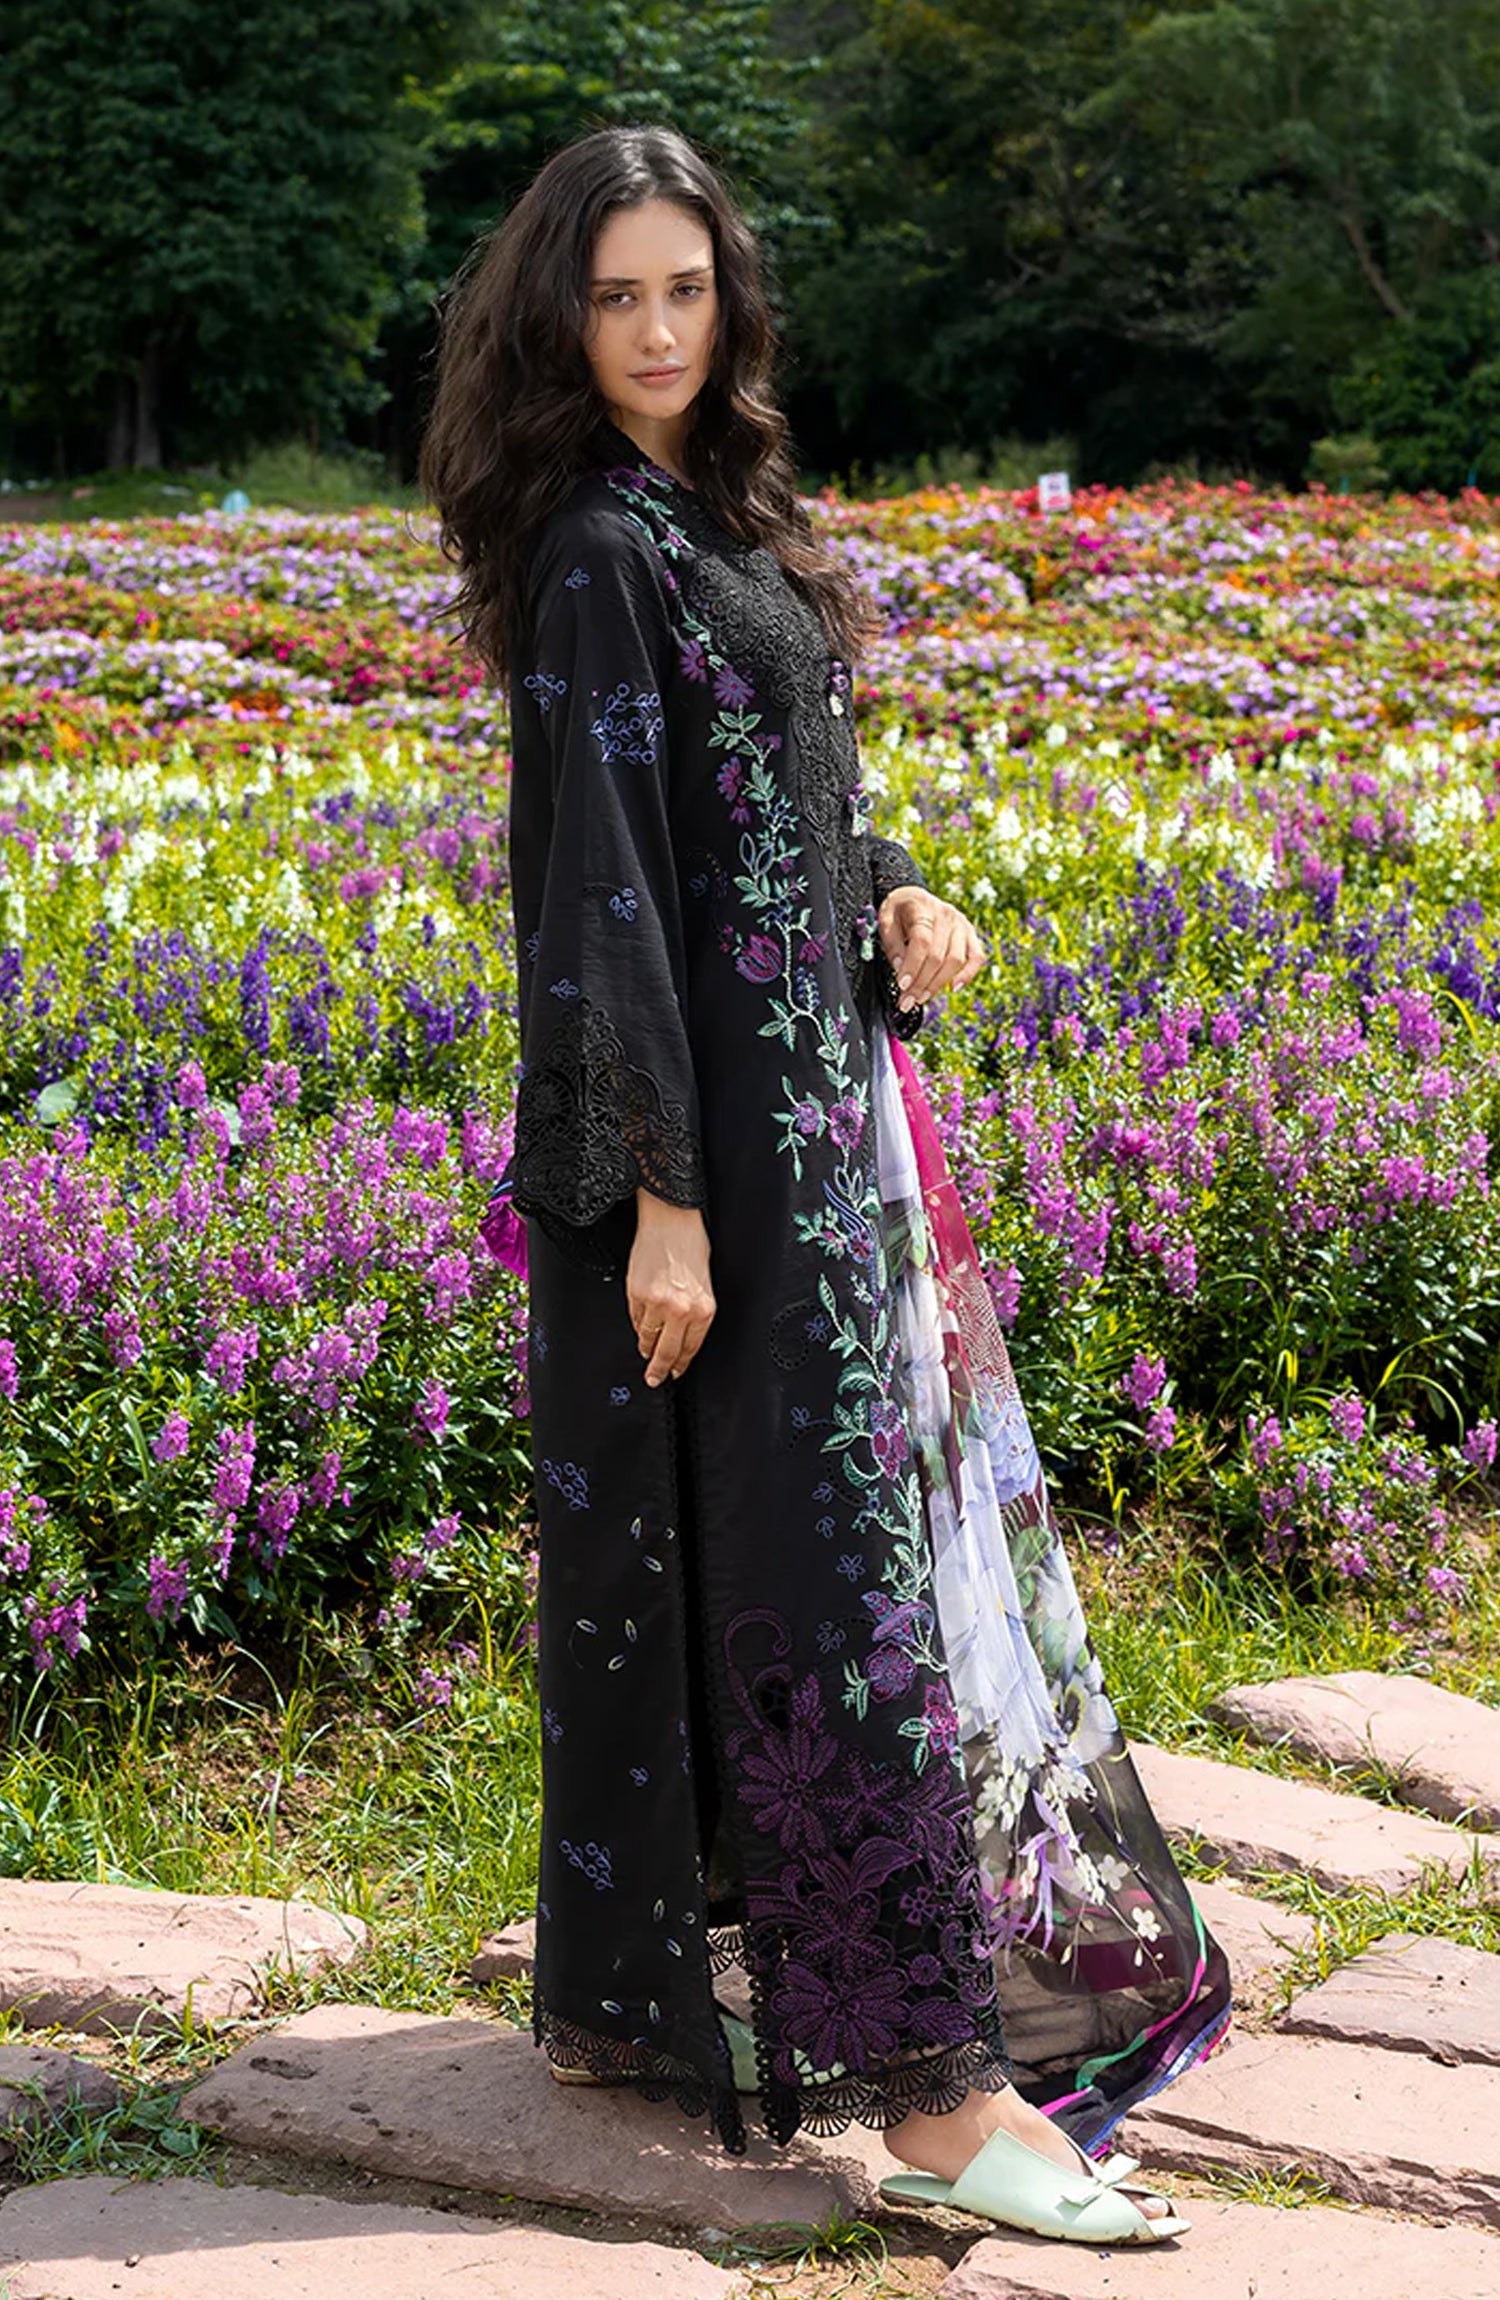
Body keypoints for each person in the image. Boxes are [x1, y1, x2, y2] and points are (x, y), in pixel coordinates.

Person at [421, 122, 1232, 2248]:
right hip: (719, 1176)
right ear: (557, 314)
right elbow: (602, 898)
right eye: (616, 295)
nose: (656, 330)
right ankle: (941, 2100)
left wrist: (889, 889)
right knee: (835, 1597)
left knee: (784, 1571)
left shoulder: (721, 514)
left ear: (732, 299)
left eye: (686, 289)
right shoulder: (596, 550)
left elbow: (767, 806)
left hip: (809, 1133)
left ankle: (659, 2000)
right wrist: (667, 1201)